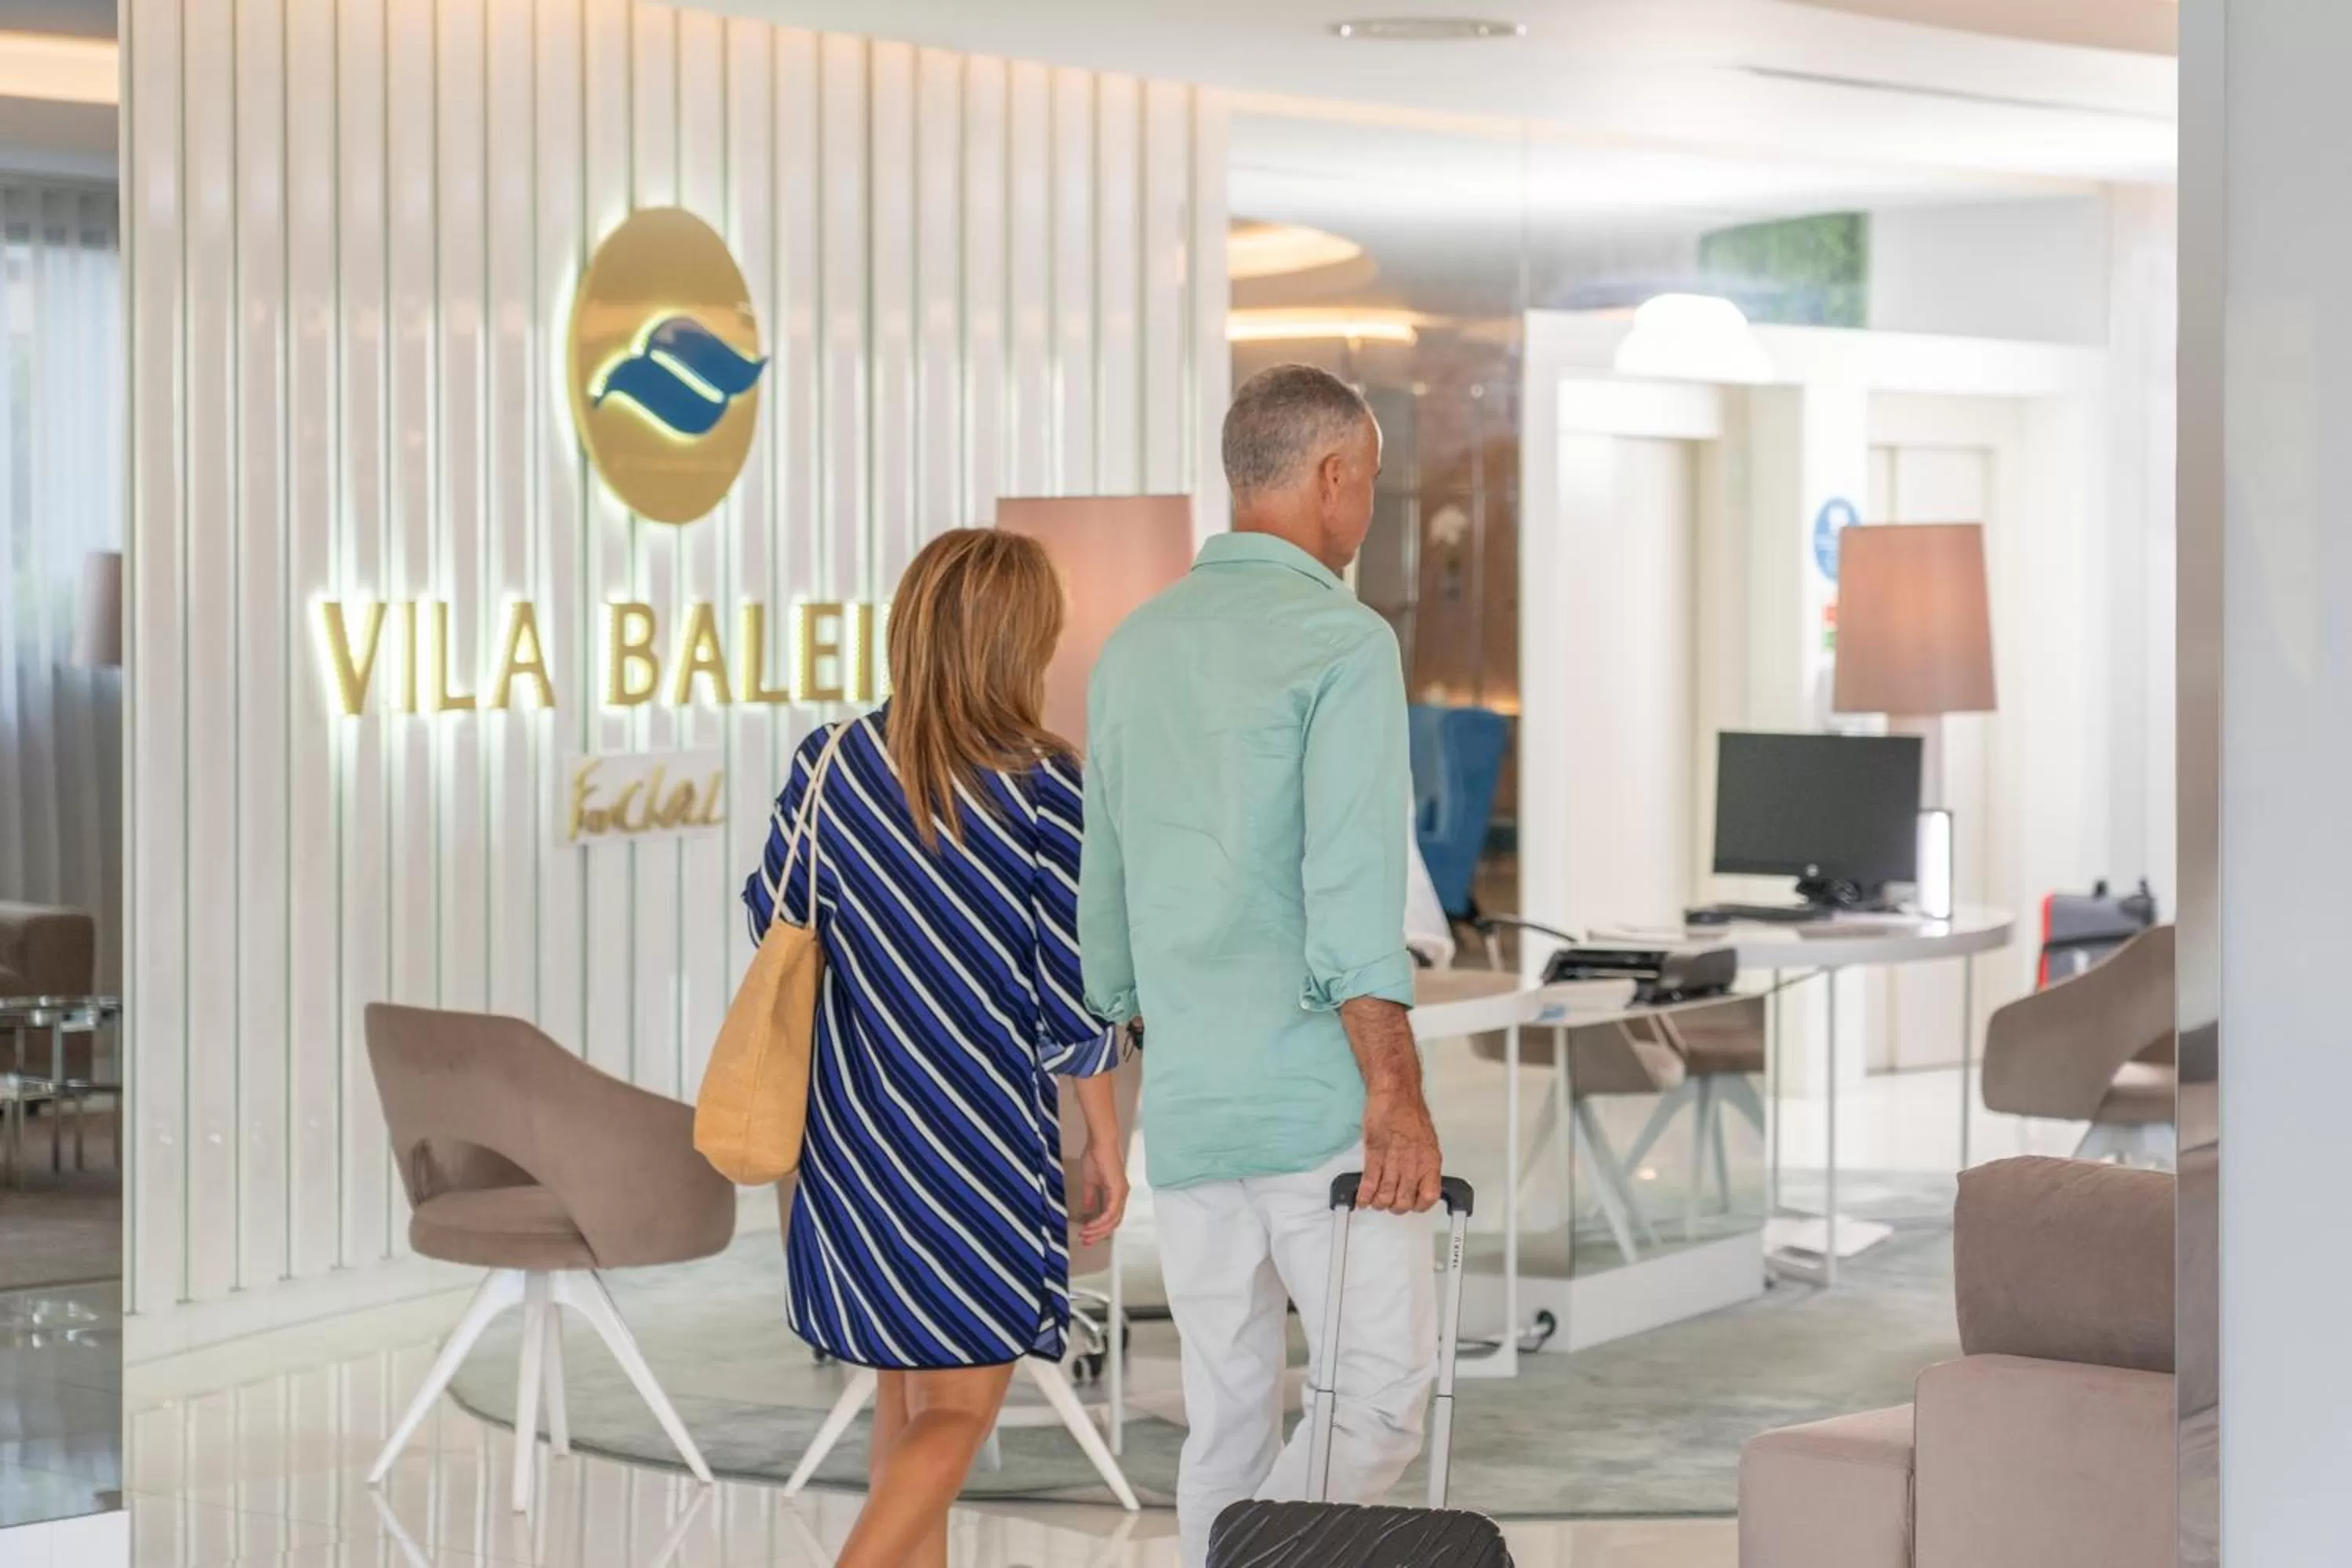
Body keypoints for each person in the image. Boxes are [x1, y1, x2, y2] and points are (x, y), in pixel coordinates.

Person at [1079, 363, 1443, 1566]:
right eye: (1372, 485)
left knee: (1229, 1416)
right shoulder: (1341, 642)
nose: (1368, 512)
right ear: (1333, 477)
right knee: (1380, 1395)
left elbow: (1107, 899)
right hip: (1317, 1105)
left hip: (1187, 1109)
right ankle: (1266, 1560)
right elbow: (1351, 897)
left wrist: (1149, 1047)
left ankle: (1232, 1553)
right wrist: (1396, 1093)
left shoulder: (1132, 649)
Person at [742, 528, 1129, 1568]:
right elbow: (1075, 997)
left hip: (852, 1136)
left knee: (906, 1405)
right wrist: (1103, 1141)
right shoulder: (1048, 788)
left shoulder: (827, 765)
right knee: (963, 1408)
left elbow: (773, 919)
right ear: (1023, 645)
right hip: (976, 1147)